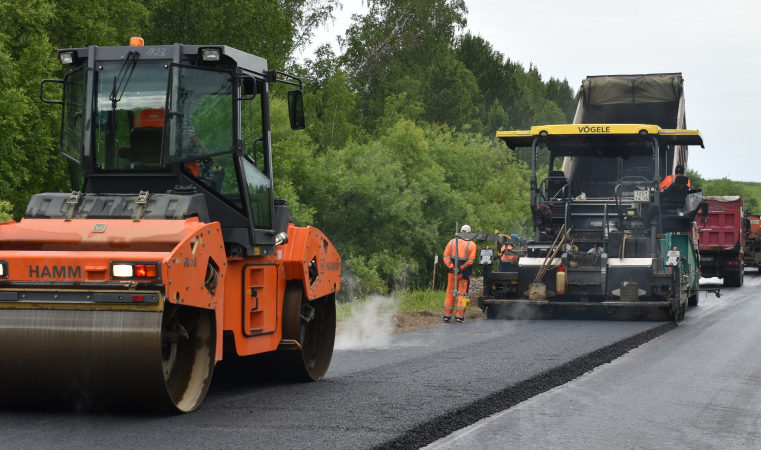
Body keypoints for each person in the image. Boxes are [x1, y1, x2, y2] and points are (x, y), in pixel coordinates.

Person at [442, 224, 476, 323]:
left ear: (460, 231)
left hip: (452, 273)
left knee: (450, 293)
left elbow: (446, 256)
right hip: (464, 273)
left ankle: (447, 316)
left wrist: (452, 267)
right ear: (469, 233)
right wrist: (460, 269)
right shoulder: (472, 244)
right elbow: (470, 261)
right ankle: (459, 317)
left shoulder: (451, 242)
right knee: (463, 294)